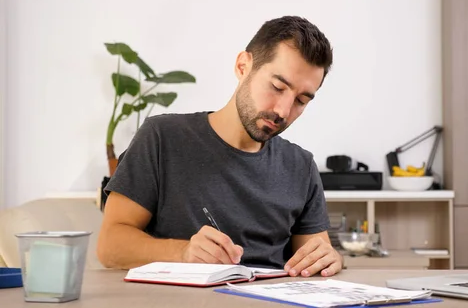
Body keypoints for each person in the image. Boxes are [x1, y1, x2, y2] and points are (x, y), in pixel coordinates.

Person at [96, 15, 343, 278]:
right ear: (243, 66)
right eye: (277, 87)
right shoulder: (161, 138)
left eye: (301, 100)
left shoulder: (300, 166)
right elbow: (110, 246)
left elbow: (314, 260)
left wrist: (328, 258)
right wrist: (183, 253)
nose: (283, 111)